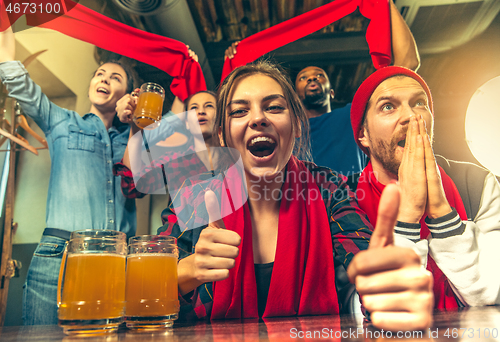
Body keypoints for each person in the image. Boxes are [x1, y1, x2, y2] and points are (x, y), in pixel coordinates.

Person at [158, 61, 433, 331]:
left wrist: (386, 288)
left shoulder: (328, 187)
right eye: (240, 111)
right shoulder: (194, 196)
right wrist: (189, 270)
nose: (258, 118)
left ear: (298, 126)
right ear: (222, 135)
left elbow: (370, 274)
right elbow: (139, 300)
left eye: (274, 107)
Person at [0, 27, 136, 324]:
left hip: (116, 258)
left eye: (116, 78)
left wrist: (137, 123)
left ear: (126, 96)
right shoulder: (59, 120)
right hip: (59, 253)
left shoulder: (134, 138)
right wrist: (3, 24)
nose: (105, 79)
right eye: (100, 74)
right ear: (90, 85)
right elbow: (17, 79)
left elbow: (149, 176)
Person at [349, 65, 500, 308]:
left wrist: (441, 210)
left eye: (419, 103)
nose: (411, 116)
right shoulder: (344, 200)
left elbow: (492, 294)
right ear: (363, 134)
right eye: (388, 106)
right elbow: (373, 308)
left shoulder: (476, 183)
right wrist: (407, 216)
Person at [225, 1, 420, 176]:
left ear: (331, 91)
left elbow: (407, 64)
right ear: (295, 96)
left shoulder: (353, 115)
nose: (312, 79)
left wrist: (385, 3)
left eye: (319, 75)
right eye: (303, 78)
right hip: (301, 207)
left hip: (351, 206)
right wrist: (236, 61)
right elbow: (232, 114)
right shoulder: (281, 128)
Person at [114, 89, 220, 226]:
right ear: (186, 123)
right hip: (179, 244)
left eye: (209, 106)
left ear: (220, 117)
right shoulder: (176, 161)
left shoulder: (235, 160)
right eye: (193, 108)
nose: (200, 111)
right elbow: (132, 186)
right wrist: (136, 125)